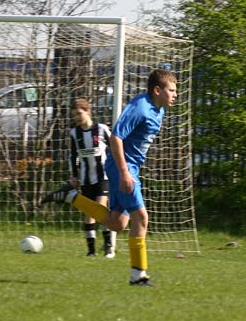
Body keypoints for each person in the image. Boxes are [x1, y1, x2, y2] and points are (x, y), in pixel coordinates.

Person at [42, 69, 177, 286]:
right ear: (157, 90)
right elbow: (116, 137)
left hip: (129, 168)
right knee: (141, 218)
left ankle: (71, 197)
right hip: (122, 168)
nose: (175, 94)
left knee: (117, 223)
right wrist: (124, 172)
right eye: (171, 90)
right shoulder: (140, 107)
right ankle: (138, 275)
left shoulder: (158, 110)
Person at [67, 98, 116, 258]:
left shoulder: (101, 129)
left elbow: (115, 147)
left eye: (79, 113)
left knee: (100, 209)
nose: (77, 117)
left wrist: (118, 168)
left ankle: (108, 247)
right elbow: (73, 156)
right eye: (74, 115)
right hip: (86, 179)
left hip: (104, 177)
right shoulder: (75, 133)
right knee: (89, 214)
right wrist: (74, 175)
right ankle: (91, 251)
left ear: (87, 111)